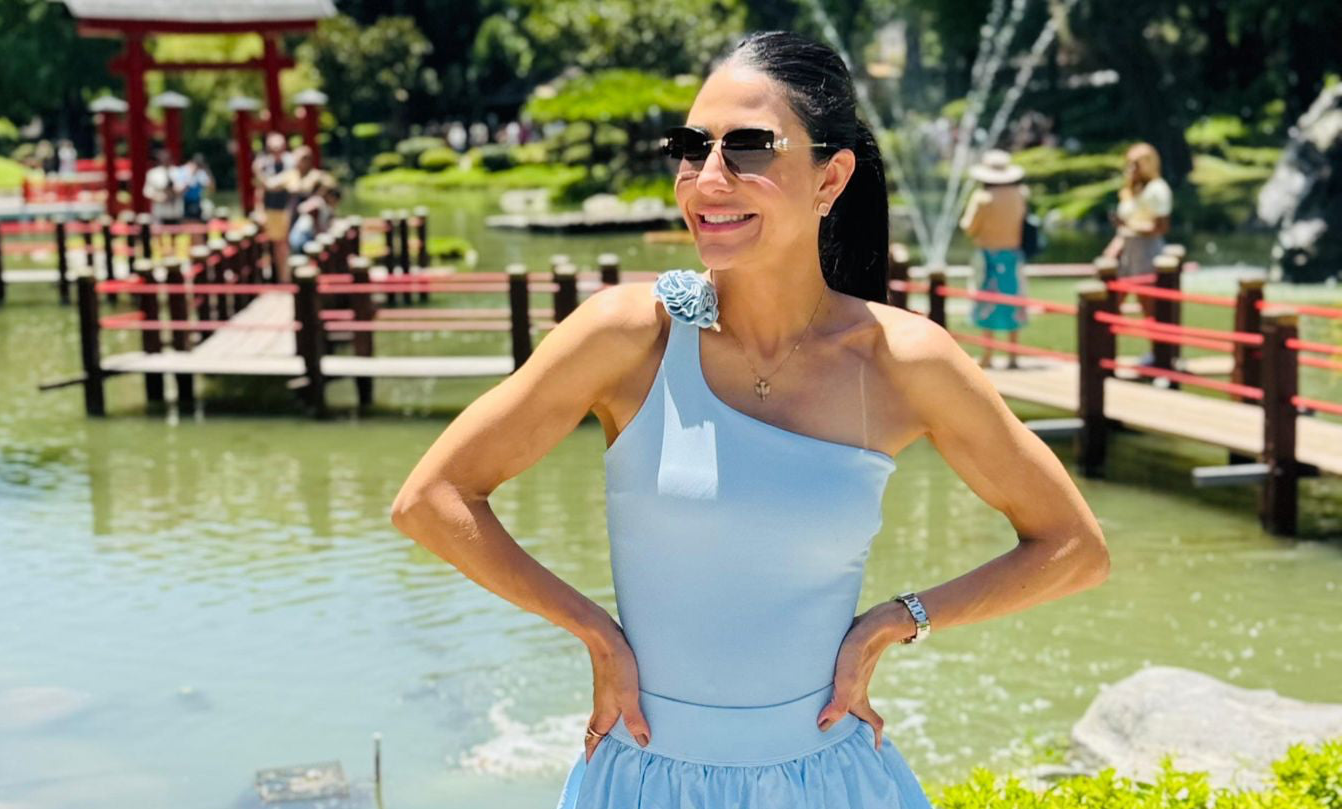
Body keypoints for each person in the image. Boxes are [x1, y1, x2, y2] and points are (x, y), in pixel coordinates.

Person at [390, 31, 1109, 809]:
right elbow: (432, 499)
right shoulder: (630, 336)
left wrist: (898, 619)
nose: (708, 178)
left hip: (830, 784)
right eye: (690, 147)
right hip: (643, 782)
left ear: (831, 178)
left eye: (749, 148)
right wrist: (593, 629)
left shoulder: (902, 361)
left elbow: (1073, 548)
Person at [1100, 142, 1172, 366]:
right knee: (1110, 302)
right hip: (1128, 250)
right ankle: (1103, 354)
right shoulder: (1132, 189)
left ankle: (1159, 355)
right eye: (1130, 163)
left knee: (1149, 306)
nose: (1131, 168)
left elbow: (1160, 227)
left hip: (1146, 251)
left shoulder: (1157, 189)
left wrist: (1130, 227)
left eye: (1136, 163)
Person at [960, 149, 1031, 370]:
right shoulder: (1020, 194)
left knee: (987, 302)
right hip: (1013, 255)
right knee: (1014, 301)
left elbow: (969, 227)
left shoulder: (982, 198)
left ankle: (988, 354)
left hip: (988, 255)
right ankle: (1013, 355)